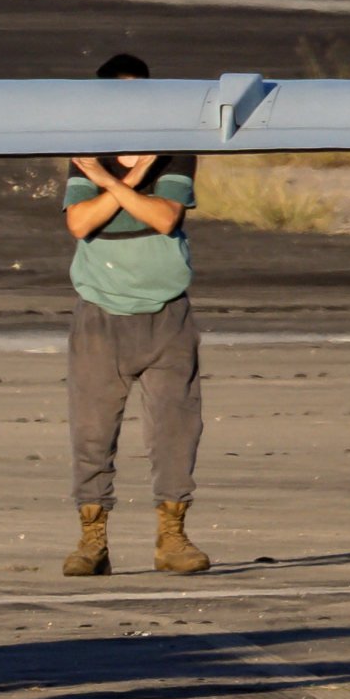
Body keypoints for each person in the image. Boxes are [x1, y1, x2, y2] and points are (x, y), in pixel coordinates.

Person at [62, 52, 207, 577]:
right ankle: (92, 541)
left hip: (168, 316)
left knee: (175, 430)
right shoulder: (84, 155)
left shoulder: (173, 154)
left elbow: (165, 217)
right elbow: (80, 223)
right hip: (100, 314)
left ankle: (173, 537)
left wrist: (119, 181)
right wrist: (118, 180)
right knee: (92, 433)